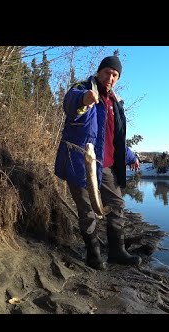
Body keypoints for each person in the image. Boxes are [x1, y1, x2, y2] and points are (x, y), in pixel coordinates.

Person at [54, 55, 141, 270]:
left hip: (108, 165)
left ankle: (116, 252)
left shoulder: (115, 102)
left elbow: (114, 138)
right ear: (99, 72)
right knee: (87, 210)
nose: (110, 78)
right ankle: (93, 255)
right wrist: (84, 99)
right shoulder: (83, 88)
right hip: (81, 163)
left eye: (115, 75)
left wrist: (131, 157)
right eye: (107, 73)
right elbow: (70, 102)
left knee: (117, 205)